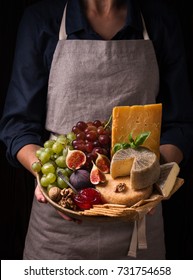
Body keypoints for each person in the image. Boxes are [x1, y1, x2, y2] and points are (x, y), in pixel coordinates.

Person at [0, 0, 193, 260]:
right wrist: (44, 175)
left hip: (138, 222)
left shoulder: (160, 20)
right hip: (58, 230)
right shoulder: (41, 19)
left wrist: (152, 177)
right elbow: (18, 125)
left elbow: (179, 125)